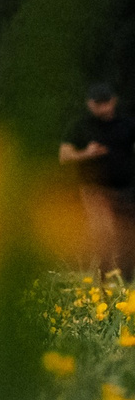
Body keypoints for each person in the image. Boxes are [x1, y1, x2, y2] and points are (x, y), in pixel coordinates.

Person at [61, 81, 134, 273]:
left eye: (105, 101)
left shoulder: (127, 124)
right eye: (97, 103)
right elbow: (64, 156)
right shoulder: (81, 126)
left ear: (113, 101)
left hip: (123, 188)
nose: (102, 106)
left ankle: (125, 276)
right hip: (94, 187)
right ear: (90, 104)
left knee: (125, 233)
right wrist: (86, 153)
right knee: (104, 232)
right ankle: (104, 275)